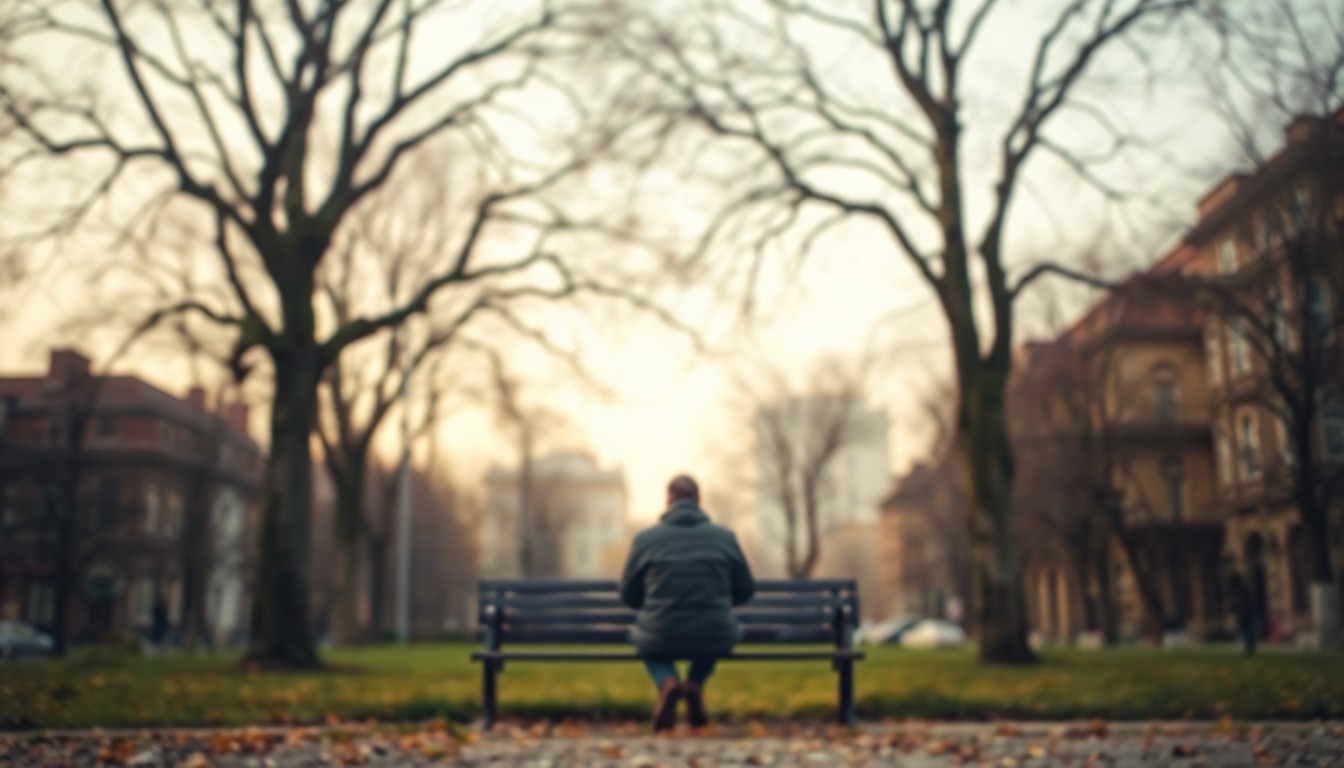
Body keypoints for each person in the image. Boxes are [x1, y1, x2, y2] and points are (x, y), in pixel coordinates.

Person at [619, 474, 755, 732]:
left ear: (668, 500)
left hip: (660, 632)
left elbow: (628, 595)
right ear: (699, 501)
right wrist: (720, 601)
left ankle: (668, 682)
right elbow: (746, 590)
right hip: (714, 631)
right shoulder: (725, 537)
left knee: (641, 639)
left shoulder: (646, 539)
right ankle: (695, 682)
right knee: (715, 631)